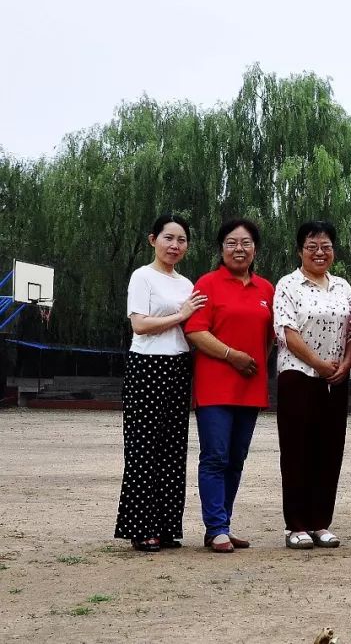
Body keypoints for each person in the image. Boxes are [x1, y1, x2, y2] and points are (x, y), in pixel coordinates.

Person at [114, 213, 207, 552]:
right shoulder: (143, 277)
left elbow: (195, 328)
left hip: (179, 366)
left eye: (181, 240)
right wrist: (181, 315)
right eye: (169, 238)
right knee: (143, 450)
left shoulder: (186, 284)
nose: (175, 245)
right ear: (153, 239)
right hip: (147, 367)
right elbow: (139, 325)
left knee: (172, 450)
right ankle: (141, 528)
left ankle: (167, 527)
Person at [185, 218, 275, 553]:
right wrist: (230, 355)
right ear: (221, 248)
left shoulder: (266, 289)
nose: (239, 249)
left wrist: (251, 361)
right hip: (214, 387)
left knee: (236, 458)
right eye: (232, 243)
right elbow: (195, 331)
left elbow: (269, 339)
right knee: (215, 456)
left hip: (250, 388)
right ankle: (216, 527)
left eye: (246, 243)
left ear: (255, 249)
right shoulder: (207, 284)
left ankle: (223, 523)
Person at [274, 221, 351, 550]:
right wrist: (318, 364)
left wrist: (346, 364)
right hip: (298, 375)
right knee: (297, 451)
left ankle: (321, 522)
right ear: (300, 251)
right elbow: (288, 332)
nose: (319, 253)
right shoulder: (288, 285)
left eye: (326, 247)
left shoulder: (343, 287)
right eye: (312, 247)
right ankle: (296, 525)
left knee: (329, 450)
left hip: (336, 379)